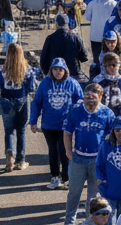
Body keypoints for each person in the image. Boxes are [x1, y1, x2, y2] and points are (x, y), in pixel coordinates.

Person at [63, 82, 115, 224]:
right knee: (74, 192)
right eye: (87, 97)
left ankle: (90, 222)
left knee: (94, 196)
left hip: (97, 160)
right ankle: (69, 221)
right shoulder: (75, 110)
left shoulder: (107, 113)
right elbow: (67, 132)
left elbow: (113, 138)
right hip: (78, 158)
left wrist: (107, 159)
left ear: (100, 96)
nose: (89, 99)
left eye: (93, 97)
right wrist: (68, 150)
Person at [31, 58, 84, 191]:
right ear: (51, 70)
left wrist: (79, 120)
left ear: (65, 70)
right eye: (55, 69)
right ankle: (55, 176)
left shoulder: (72, 83)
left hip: (66, 125)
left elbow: (80, 102)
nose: (58, 72)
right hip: (49, 124)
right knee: (53, 150)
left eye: (60, 70)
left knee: (65, 150)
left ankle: (67, 177)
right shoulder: (45, 83)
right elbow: (37, 102)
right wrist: (33, 121)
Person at [0, 42, 37, 172]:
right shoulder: (27, 69)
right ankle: (20, 161)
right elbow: (31, 87)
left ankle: (10, 153)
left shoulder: (2, 69)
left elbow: (0, 85)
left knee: (9, 131)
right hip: (22, 101)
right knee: (21, 130)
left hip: (6, 101)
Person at [42, 13, 90, 80]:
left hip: (56, 74)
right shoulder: (75, 37)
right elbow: (84, 57)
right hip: (74, 74)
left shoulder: (50, 38)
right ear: (67, 24)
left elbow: (43, 59)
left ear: (56, 24)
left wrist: (47, 72)